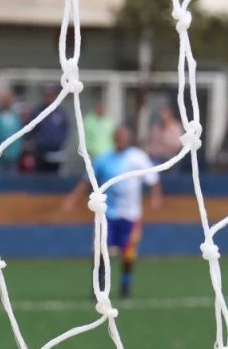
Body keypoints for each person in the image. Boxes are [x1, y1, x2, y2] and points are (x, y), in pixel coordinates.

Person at [63, 127, 162, 299]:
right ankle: (99, 285)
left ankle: (125, 285)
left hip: (131, 215)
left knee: (128, 252)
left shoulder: (138, 157)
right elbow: (87, 180)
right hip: (107, 215)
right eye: (118, 137)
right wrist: (72, 198)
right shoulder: (103, 160)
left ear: (129, 139)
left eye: (124, 137)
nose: (121, 140)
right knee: (100, 250)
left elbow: (153, 180)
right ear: (114, 139)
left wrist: (155, 197)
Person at [31, 86, 69, 174]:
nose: (49, 98)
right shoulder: (37, 111)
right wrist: (38, 141)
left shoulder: (60, 112)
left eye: (51, 95)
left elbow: (66, 129)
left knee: (55, 179)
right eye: (47, 95)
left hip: (56, 153)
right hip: (41, 154)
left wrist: (59, 141)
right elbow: (31, 129)